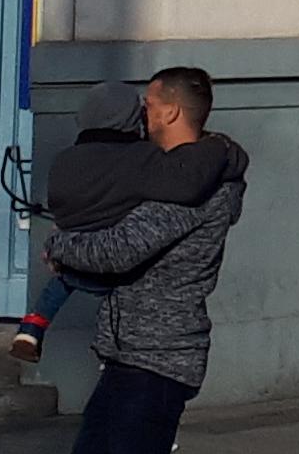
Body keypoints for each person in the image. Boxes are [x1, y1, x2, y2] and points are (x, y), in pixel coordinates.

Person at [49, 66, 243, 454]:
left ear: (167, 112)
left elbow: (120, 249)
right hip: (127, 354)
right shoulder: (173, 176)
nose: (140, 117)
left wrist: (59, 248)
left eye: (148, 106)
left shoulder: (195, 189)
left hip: (160, 358)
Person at [13, 79, 247, 364]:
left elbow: (75, 217)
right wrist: (222, 149)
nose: (145, 115)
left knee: (59, 284)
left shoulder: (66, 159)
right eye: (142, 108)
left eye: (148, 106)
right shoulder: (147, 160)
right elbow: (121, 249)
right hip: (141, 331)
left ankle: (32, 329)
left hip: (85, 276)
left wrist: (58, 242)